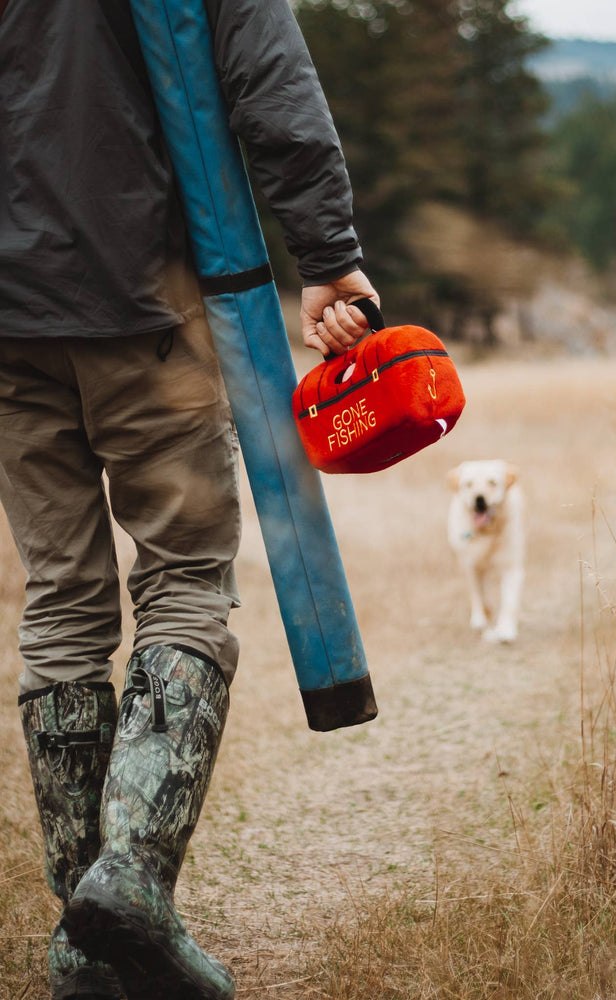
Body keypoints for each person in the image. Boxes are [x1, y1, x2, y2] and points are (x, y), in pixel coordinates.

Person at [0, 0, 378, 997]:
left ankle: (84, 945)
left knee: (63, 596)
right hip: (143, 295)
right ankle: (126, 881)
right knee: (182, 575)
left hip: (8, 317)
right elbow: (268, 77)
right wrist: (327, 253)